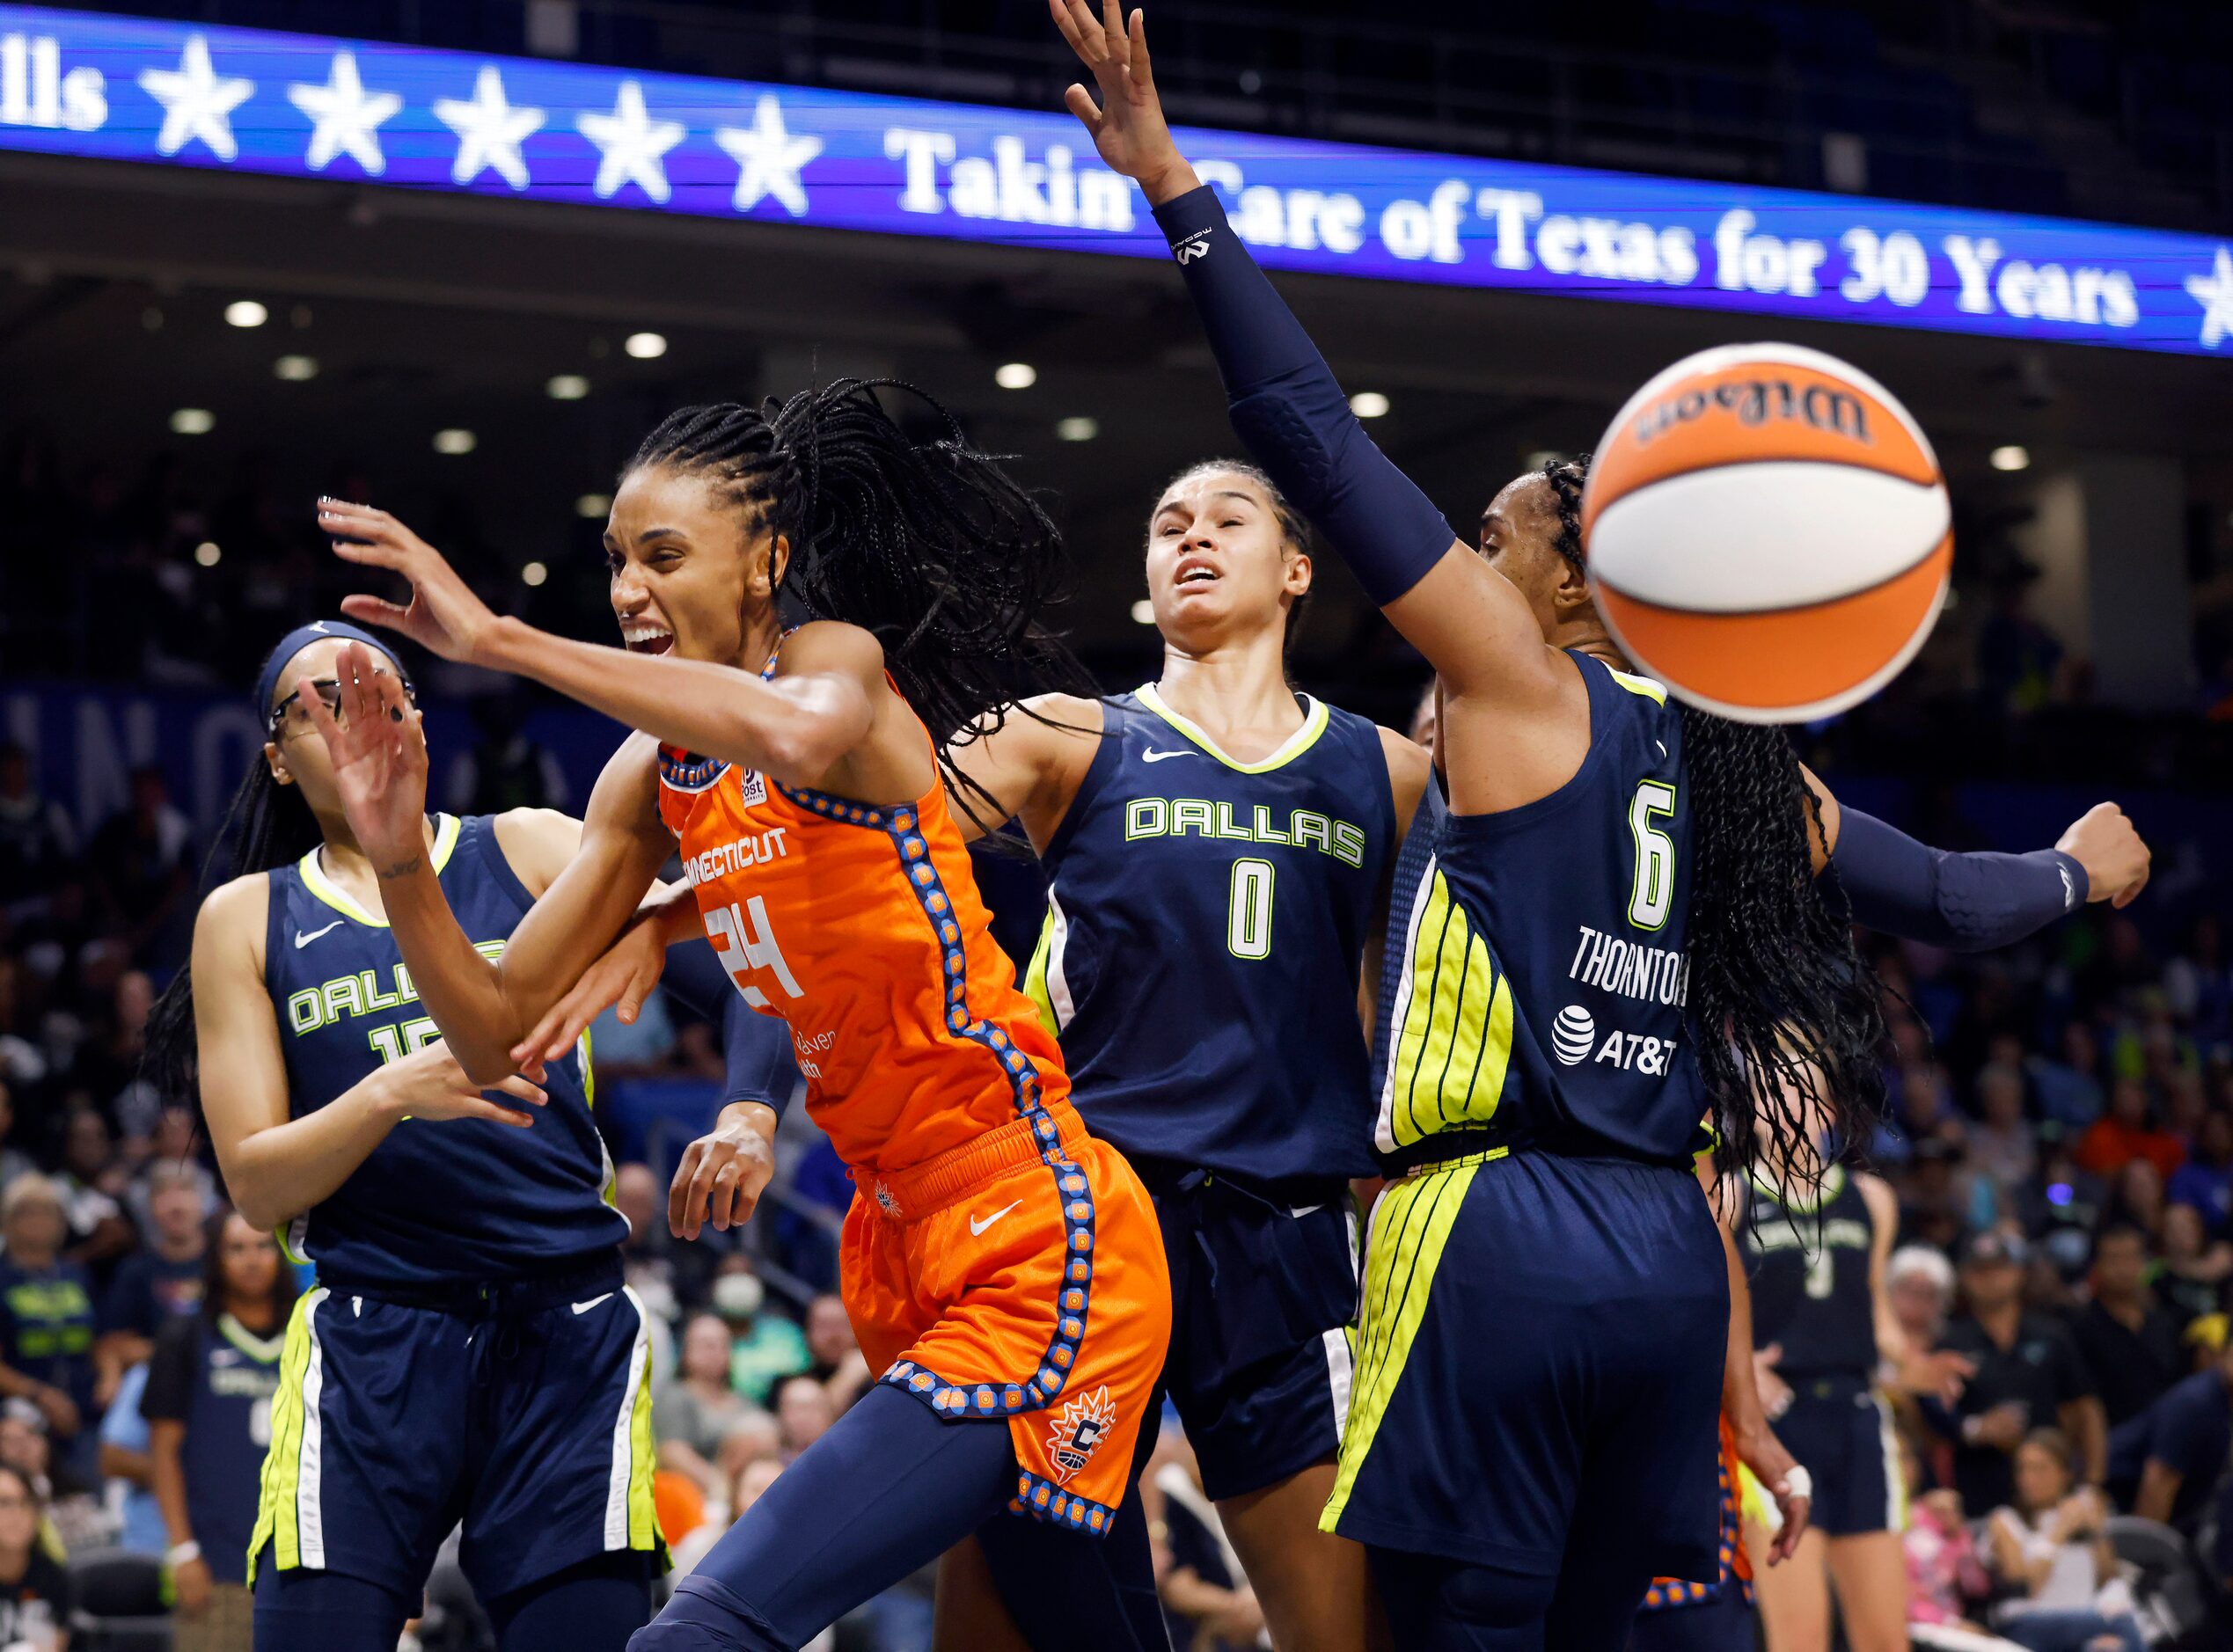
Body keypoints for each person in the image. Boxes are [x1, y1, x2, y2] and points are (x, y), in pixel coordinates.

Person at [1043, 5, 2150, 1643]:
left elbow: (1303, 428)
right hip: (1659, 1262)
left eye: (1494, 540)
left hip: (1489, 1239)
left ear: (1572, 577)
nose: (1472, 568)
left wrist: (1175, 190)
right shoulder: (1744, 763)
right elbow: (1961, 901)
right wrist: (2083, 863)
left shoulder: (1512, 676)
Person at [304, 378, 1175, 1652]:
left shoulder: (837, 670)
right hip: (895, 1245)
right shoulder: (652, 776)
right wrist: (400, 866)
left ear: (768, 556)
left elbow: (796, 737)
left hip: (1035, 1232)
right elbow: (493, 1024)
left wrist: (500, 642)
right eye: (614, 560)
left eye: (663, 556)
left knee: (698, 1632)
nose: (625, 590)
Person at [138, 618, 801, 1652]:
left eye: (380, 686)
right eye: (315, 700)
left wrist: (751, 1106)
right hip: (374, 1336)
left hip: (565, 1332)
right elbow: (259, 1190)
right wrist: (386, 1093)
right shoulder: (245, 917)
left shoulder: (524, 844)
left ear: (419, 725)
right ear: (274, 755)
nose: (354, 710)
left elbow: (763, 930)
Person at [923, 452, 1428, 1651]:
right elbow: (861, 850)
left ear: (1296, 567)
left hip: (1287, 1236)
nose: (1190, 537)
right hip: (1095, 1218)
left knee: (1348, 1630)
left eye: (1226, 519)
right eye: (1166, 524)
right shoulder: (1062, 730)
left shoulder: (1391, 770)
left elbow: (1425, 997)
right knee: (991, 1621)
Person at [1739, 1121, 1971, 1652]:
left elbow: (1878, 1316)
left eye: (1806, 1086)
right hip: (1778, 1426)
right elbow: (1701, 1304)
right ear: (1751, 1106)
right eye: (1774, 1086)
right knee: (1800, 1640)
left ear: (1827, 1108)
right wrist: (1743, 1366)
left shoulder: (1871, 1198)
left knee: (1887, 1640)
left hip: (1858, 1414)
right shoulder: (1730, 1193)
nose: (1789, 1104)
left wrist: (1915, 1366)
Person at [145, 1211, 297, 1652]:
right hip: (216, 1564)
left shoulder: (311, 1332)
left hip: (298, 1563)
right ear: (216, 1259)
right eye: (236, 1248)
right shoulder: (185, 1337)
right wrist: (182, 1551)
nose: (252, 1259)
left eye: (263, 1246)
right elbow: (163, 1453)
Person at [1935, 1233, 2105, 1517]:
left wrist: (2093, 1482)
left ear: (2019, 1273)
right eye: (1980, 1270)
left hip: (2051, 1486)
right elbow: (1931, 1418)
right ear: (1963, 1277)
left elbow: (2085, 1408)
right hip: (1978, 1486)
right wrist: (1976, 1428)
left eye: (2000, 1268)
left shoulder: (2052, 1335)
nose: (1991, 1278)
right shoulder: (1949, 1343)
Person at [1984, 1430, 2145, 1652]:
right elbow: (2025, 1587)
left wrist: (2095, 1532)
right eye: (2023, 1469)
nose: (2029, 1479)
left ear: (2065, 1473)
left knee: (2109, 1648)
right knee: (2120, 1622)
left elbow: (2106, 1578)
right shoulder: (2005, 1521)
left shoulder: (2083, 1509)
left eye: (2041, 1469)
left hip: (2083, 1620)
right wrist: (2059, 1532)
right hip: (2026, 1623)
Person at [0, 1177, 97, 1477]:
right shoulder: (3, 1279)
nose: (39, 1221)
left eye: (48, 1212)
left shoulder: (76, 1274)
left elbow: (101, 1338)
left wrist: (108, 1376)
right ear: (8, 1221)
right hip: (21, 1417)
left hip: (84, 1411)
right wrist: (41, 1396)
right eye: (27, 1212)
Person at [95, 1159, 209, 1397]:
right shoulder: (135, 1270)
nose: (175, 1205)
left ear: (203, 1201)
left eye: (184, 1190)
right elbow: (113, 1345)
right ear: (150, 1207)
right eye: (164, 1194)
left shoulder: (224, 1263)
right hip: (154, 1383)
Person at [2105, 1335, 2233, 1532]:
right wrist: (2148, 1555)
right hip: (2115, 1502)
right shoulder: (2195, 1403)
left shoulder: (2224, 1403)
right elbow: (2157, 1484)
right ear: (2223, 1352)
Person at [2066, 1223, 2186, 1429]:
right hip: (2114, 1440)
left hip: (2166, 1436)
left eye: (2132, 1258)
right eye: (2114, 1259)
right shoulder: (2079, 1329)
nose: (2124, 1269)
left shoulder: (2167, 1322)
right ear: (2096, 1266)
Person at [654, 1314, 758, 1500]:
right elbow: (673, 1453)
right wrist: (724, 1491)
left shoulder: (744, 1401)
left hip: (744, 1497)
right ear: (686, 1351)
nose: (715, 1352)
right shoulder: (675, 1396)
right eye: (706, 1345)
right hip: (693, 1499)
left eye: (722, 1345)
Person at [0, 1461, 70, 1649]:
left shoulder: (53, 1576)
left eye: (26, 1502)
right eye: (4, 1503)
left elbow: (59, 1641)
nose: (17, 1514)